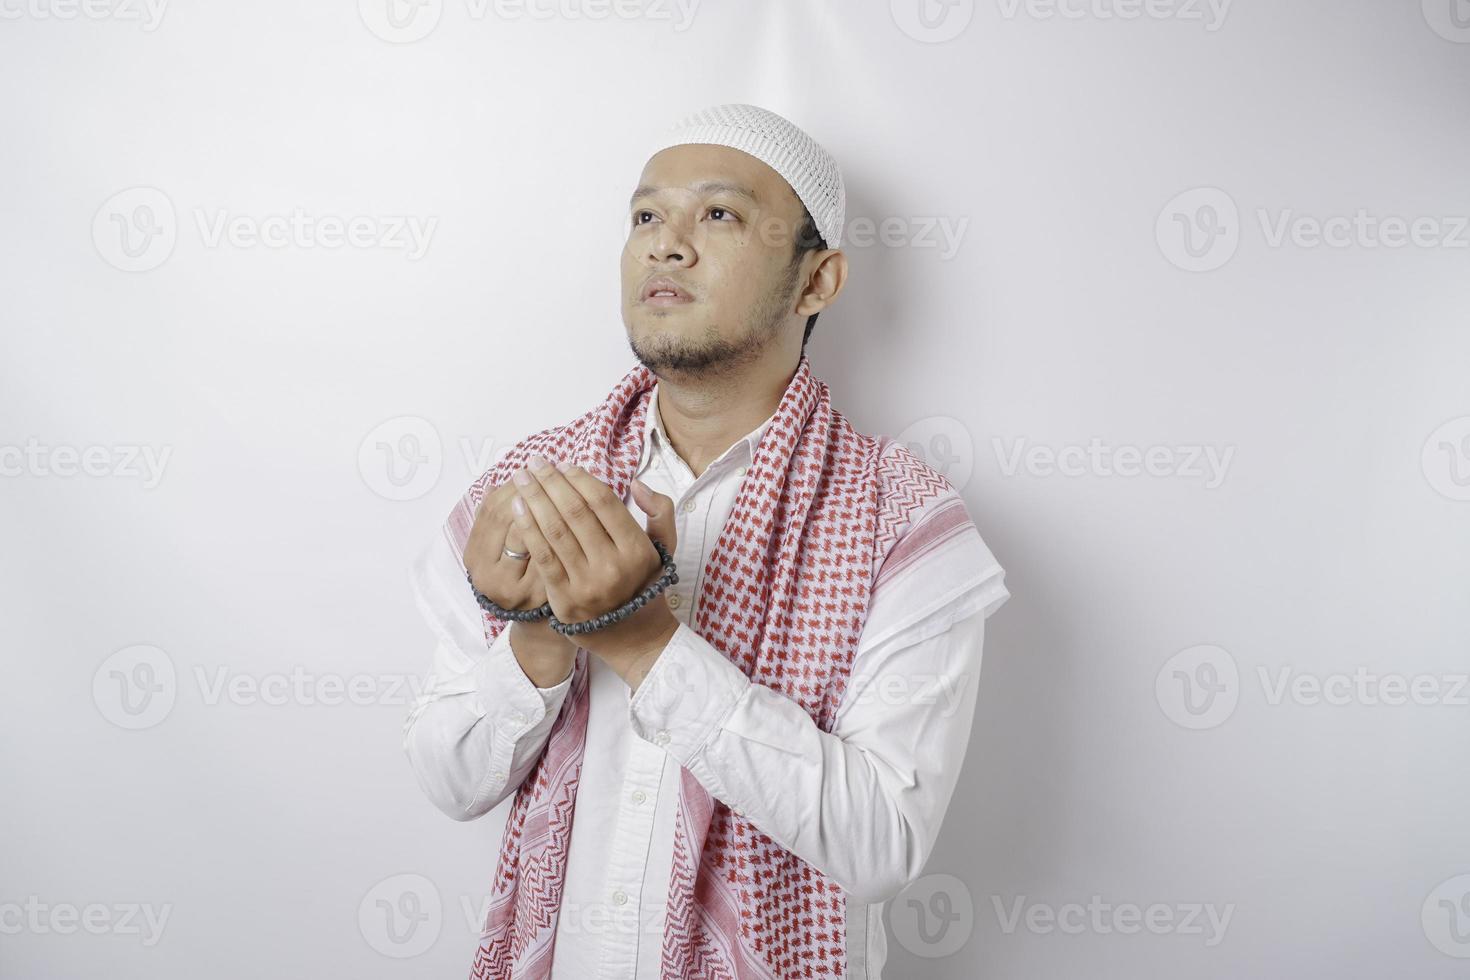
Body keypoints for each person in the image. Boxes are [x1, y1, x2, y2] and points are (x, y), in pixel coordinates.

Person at [402, 103, 1009, 980]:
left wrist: (644, 642)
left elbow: (883, 841)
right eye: (646, 216)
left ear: (819, 281)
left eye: (717, 214)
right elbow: (451, 781)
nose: (666, 244)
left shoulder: (903, 521)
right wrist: (537, 635)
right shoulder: (533, 484)